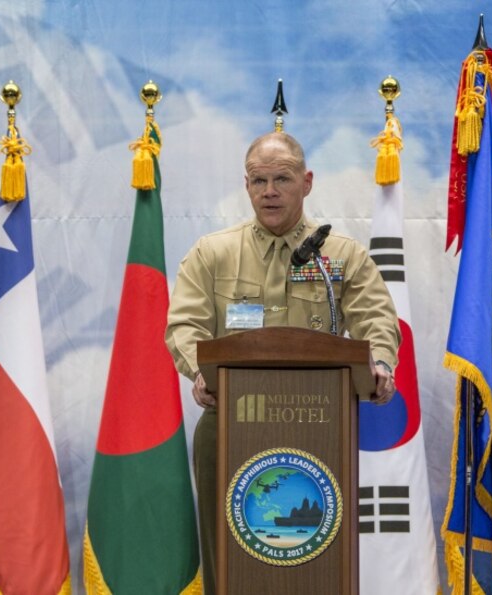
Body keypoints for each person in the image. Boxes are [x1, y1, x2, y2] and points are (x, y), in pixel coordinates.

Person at [165, 131, 400, 594]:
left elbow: (375, 319)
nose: (269, 191)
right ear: (247, 185)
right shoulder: (213, 253)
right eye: (258, 181)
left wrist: (381, 365)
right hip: (229, 422)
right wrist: (198, 370)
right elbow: (184, 326)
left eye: (282, 179)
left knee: (315, 551)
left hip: (320, 423)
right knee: (228, 554)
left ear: (307, 182)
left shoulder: (342, 256)